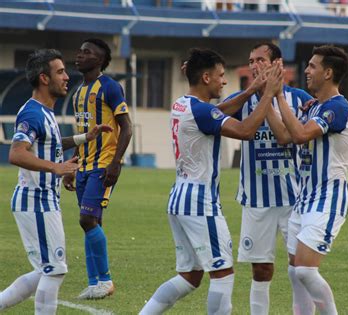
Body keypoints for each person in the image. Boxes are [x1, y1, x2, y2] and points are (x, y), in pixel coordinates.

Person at [139, 48, 283, 315]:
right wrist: (267, 94)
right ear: (206, 78)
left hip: (179, 199)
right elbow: (246, 130)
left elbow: (216, 112)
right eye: (219, 76)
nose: (223, 81)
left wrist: (252, 90)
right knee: (223, 273)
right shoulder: (202, 112)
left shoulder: (183, 104)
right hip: (199, 202)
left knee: (190, 277)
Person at [0, 49, 111, 314]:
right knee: (55, 270)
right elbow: (16, 154)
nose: (66, 77)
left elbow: (51, 144)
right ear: (44, 78)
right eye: (60, 71)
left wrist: (86, 137)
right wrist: (57, 168)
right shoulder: (33, 114)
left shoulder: (46, 112)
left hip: (44, 200)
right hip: (35, 200)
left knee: (44, 271)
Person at [224, 42, 312, 315]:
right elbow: (215, 115)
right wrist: (258, 92)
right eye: (251, 61)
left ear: (277, 64)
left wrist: (271, 97)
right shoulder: (244, 98)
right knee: (260, 269)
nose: (254, 65)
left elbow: (286, 138)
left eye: (260, 60)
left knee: (301, 267)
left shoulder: (299, 99)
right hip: (256, 199)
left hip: (293, 198)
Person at [266, 44, 348, 314]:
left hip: (328, 197)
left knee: (305, 270)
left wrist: (279, 97)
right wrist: (265, 96)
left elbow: (302, 135)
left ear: (328, 73)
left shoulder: (337, 108)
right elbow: (285, 136)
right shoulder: (313, 106)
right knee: (295, 273)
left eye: (313, 66)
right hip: (304, 198)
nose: (307, 70)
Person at [62, 38, 133, 299]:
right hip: (84, 165)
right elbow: (82, 133)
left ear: (101, 60)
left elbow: (127, 126)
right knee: (90, 221)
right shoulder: (79, 92)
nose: (79, 55)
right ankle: (94, 283)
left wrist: (116, 162)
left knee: (86, 219)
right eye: (79, 51)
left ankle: (105, 281)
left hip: (104, 165)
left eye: (87, 52)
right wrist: (71, 166)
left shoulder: (110, 87)